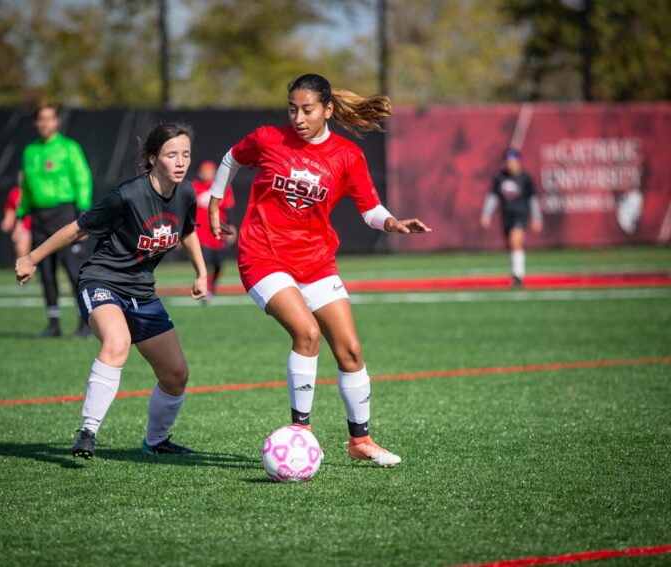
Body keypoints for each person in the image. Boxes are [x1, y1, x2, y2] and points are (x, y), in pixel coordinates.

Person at [207, 73, 432, 468]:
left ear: (327, 109)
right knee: (306, 333)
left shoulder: (347, 155)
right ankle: (301, 433)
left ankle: (360, 440)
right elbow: (230, 159)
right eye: (292, 109)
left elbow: (370, 210)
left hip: (316, 260)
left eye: (307, 109)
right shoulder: (267, 138)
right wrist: (213, 203)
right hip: (262, 255)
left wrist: (393, 223)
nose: (298, 117)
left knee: (350, 351)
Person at [15, 122, 206, 460]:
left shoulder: (186, 193)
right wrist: (31, 258)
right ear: (152, 159)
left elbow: (188, 230)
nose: (180, 162)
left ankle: (156, 441)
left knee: (176, 375)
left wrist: (201, 272)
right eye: (171, 154)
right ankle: (88, 431)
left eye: (186, 154)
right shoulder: (128, 195)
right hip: (102, 282)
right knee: (117, 343)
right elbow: (77, 230)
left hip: (142, 292)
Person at [18, 104, 93, 338]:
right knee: (46, 273)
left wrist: (83, 213)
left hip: (65, 215)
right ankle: (53, 323)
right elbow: (26, 187)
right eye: (41, 119)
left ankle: (85, 323)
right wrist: (21, 214)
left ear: (57, 122)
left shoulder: (69, 148)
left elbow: (83, 178)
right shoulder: (30, 151)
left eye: (49, 119)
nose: (45, 123)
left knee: (74, 271)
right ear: (36, 122)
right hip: (39, 217)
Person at [480, 149, 543, 288]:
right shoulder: (500, 178)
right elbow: (493, 197)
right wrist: (486, 214)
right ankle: (515, 273)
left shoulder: (525, 179)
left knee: (516, 241)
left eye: (512, 161)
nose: (510, 164)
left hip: (520, 214)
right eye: (507, 161)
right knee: (510, 245)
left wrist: (537, 218)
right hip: (506, 216)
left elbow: (533, 199)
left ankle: (518, 275)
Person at [191, 160, 236, 300]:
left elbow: (229, 209)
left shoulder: (223, 187)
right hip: (200, 233)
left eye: (209, 170)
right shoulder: (193, 187)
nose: (206, 173)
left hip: (217, 233)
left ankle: (213, 285)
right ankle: (204, 286)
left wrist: (231, 227)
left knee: (217, 264)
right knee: (204, 260)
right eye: (204, 170)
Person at [0, 172, 32, 259]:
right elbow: (10, 210)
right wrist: (7, 221)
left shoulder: (36, 193)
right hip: (23, 229)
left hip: (38, 228)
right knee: (23, 258)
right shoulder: (15, 193)